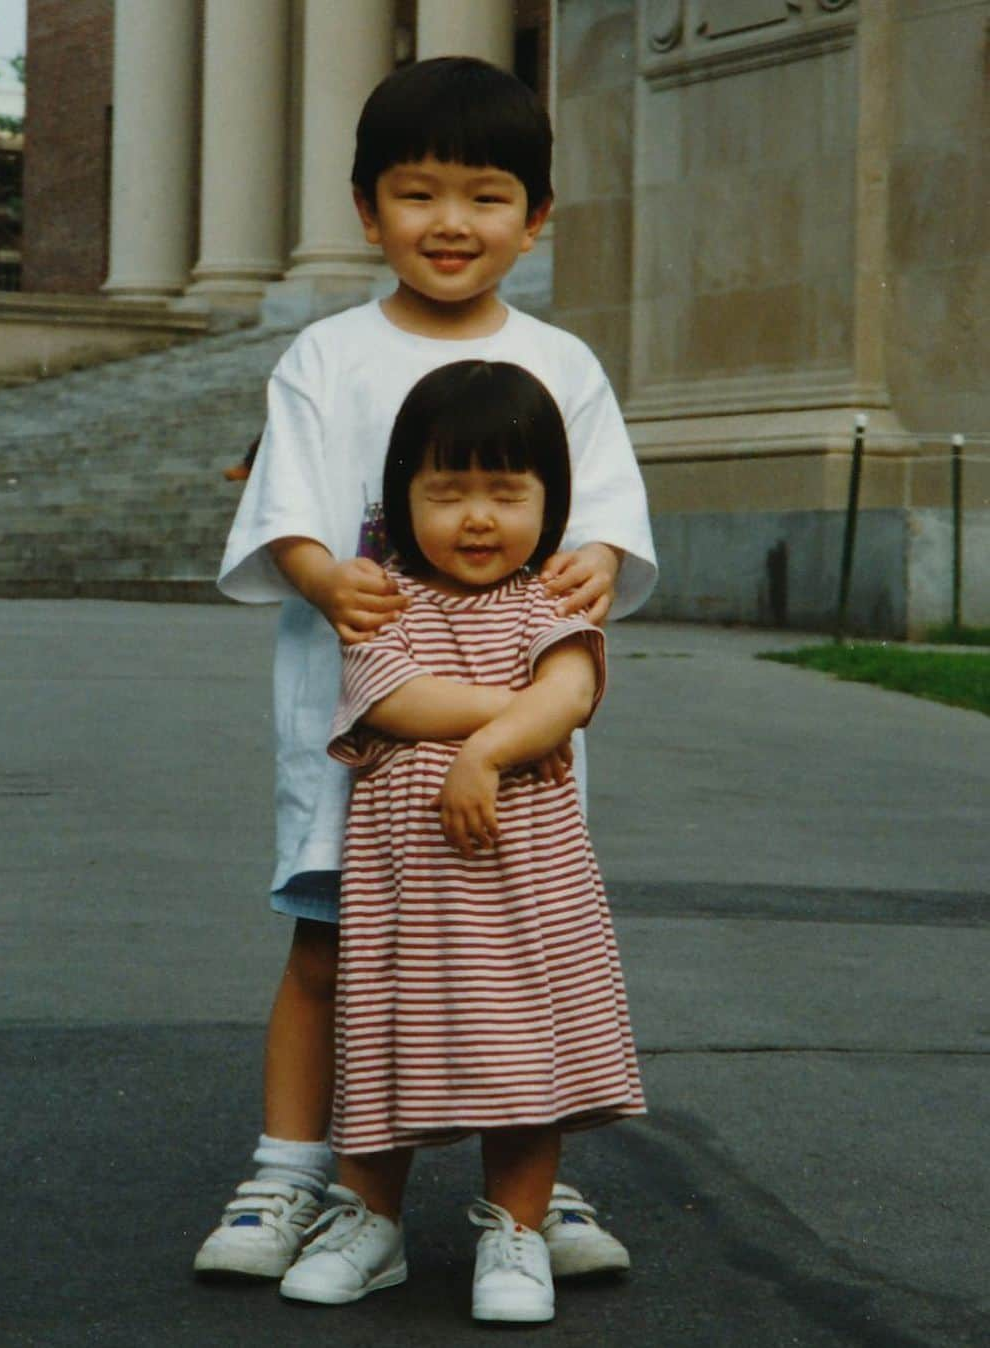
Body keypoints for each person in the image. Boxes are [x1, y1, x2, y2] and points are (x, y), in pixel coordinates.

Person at [195, 56, 657, 1285]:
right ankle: (290, 1173)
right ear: (365, 210)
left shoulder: (564, 366)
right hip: (362, 719)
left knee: (525, 948)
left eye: (487, 195)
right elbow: (289, 509)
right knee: (330, 945)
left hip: (520, 735)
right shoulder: (327, 357)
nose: (451, 223)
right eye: (416, 194)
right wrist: (317, 571)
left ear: (537, 216)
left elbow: (601, 519)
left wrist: (598, 558)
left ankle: (532, 1192)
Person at [276, 361, 645, 1324]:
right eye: (447, 492)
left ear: (551, 503)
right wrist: (511, 722)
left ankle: (517, 1234)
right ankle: (371, 1222)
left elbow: (573, 692)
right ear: (401, 500)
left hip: (526, 888)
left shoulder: (549, 605)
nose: (476, 517)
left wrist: (485, 752)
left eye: (505, 492)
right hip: (408, 890)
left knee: (528, 1053)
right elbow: (400, 698)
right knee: (382, 1043)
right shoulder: (388, 600)